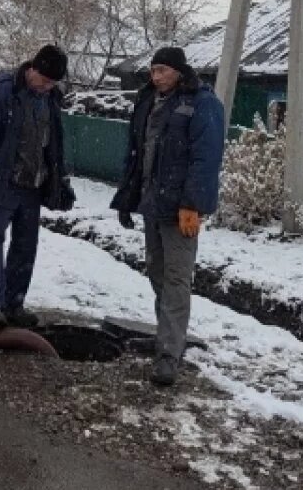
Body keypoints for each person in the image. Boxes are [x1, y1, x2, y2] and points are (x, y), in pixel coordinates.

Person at [111, 46, 225, 386]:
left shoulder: (201, 104)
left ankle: (169, 355)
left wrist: (193, 205)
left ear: (178, 71)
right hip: (152, 203)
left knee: (176, 280)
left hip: (180, 210)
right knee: (157, 272)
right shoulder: (149, 101)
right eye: (153, 70)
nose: (155, 76)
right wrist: (128, 199)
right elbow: (137, 152)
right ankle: (165, 337)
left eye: (162, 70)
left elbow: (205, 160)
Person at [0, 45, 76, 331]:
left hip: (33, 186)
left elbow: (54, 144)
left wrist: (61, 179)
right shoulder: (4, 93)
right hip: (2, 182)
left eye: (52, 84)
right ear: (33, 68)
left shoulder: (50, 100)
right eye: (44, 80)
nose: (46, 87)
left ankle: (14, 303)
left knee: (25, 246)